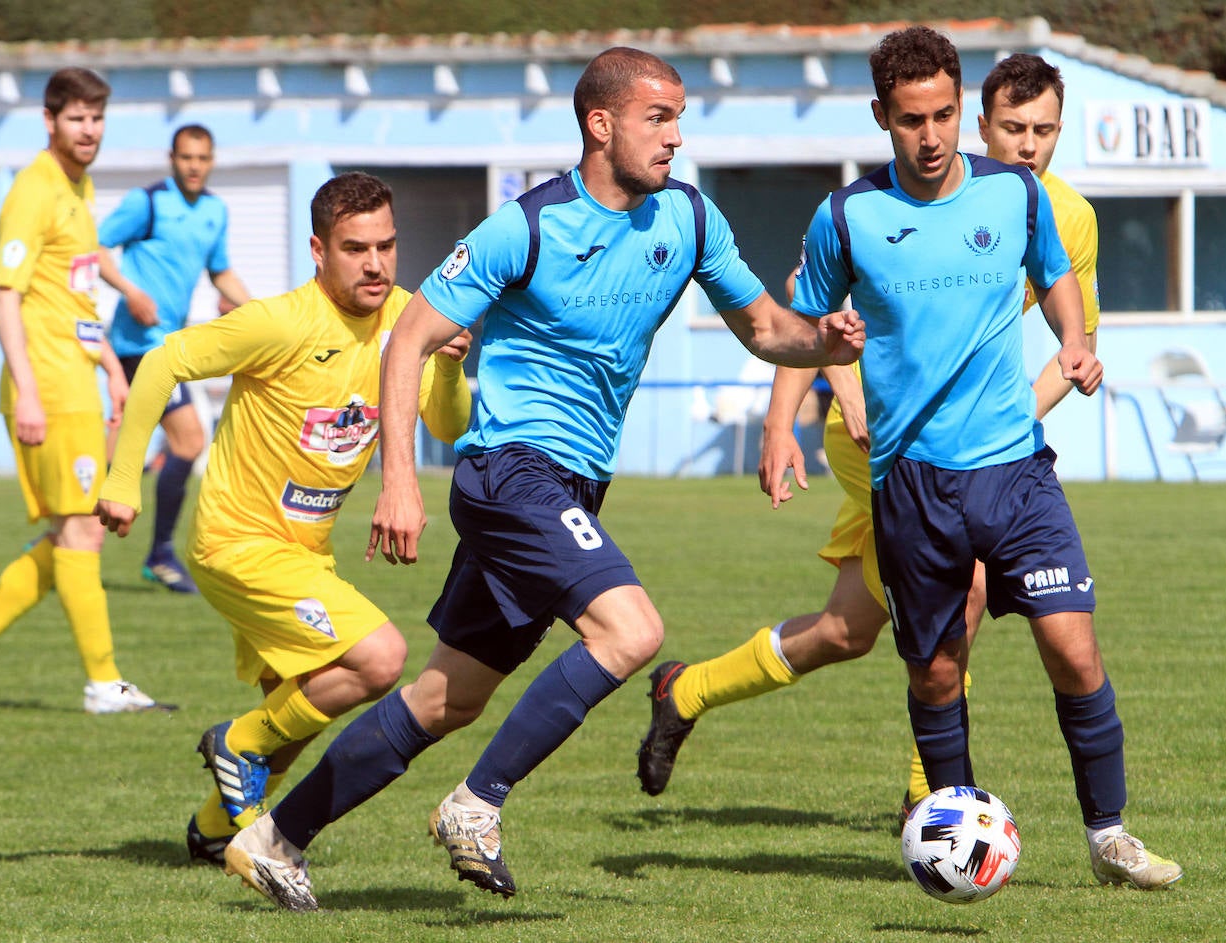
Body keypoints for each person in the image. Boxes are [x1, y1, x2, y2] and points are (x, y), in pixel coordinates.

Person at [215, 46, 865, 912]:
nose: (676, 135)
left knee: (446, 698)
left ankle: (271, 837)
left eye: (679, 116)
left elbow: (764, 326)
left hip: (573, 488)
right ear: (601, 125)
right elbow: (408, 337)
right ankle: (475, 807)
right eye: (658, 117)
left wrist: (825, 340)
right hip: (509, 471)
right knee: (632, 631)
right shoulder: (524, 226)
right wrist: (400, 483)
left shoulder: (691, 220)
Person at [636, 53, 1107, 822]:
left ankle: (685, 689)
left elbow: (1071, 335)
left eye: (1045, 130)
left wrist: (1006, 422)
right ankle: (933, 802)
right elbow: (814, 310)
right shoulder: (882, 205)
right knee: (968, 589)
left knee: (846, 630)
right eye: (1013, 128)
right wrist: (793, 413)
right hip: (878, 440)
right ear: (979, 123)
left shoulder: (1061, 214)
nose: (1028, 145)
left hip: (977, 450)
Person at [802, 26, 1175, 890]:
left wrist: (1074, 340)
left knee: (1074, 651)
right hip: (913, 484)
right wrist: (831, 361)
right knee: (936, 671)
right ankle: (960, 836)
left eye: (940, 116)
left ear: (962, 108)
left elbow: (1054, 274)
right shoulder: (848, 216)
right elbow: (807, 318)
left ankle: (1110, 835)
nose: (929, 138)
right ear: (880, 117)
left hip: (1014, 471)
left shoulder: (1013, 192)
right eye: (908, 120)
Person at [95, 172, 472, 879]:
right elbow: (164, 360)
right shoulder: (280, 321)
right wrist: (122, 481)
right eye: (355, 248)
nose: (376, 263)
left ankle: (212, 831)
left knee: (300, 701)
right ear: (318, 250)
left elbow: (447, 425)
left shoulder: (408, 319)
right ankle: (235, 741)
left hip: (306, 552)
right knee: (380, 658)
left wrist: (448, 366)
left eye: (387, 246)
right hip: (236, 541)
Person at [0, 68, 162, 715]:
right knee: (83, 530)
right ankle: (103, 682)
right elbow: (5, 300)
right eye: (78, 118)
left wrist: (110, 363)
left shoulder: (77, 188)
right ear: (50, 122)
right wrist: (26, 391)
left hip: (78, 381)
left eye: (98, 118)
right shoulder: (31, 191)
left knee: (73, 535)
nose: (90, 131)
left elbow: (73, 296)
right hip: (49, 390)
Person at [98, 124, 251, 594]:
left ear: (211, 160)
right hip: (136, 344)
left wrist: (256, 313)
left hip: (170, 347)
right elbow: (95, 250)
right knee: (186, 441)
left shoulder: (213, 211)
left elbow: (219, 270)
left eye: (202, 158)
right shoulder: (147, 202)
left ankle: (87, 544)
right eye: (186, 157)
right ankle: (153, 552)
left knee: (147, 447)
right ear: (172, 157)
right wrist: (131, 291)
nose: (194, 166)